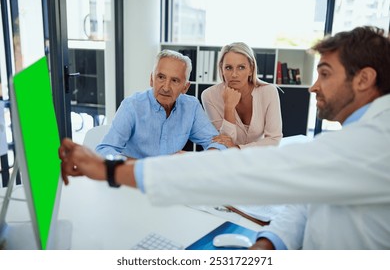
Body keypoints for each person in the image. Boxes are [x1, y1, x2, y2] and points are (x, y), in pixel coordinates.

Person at [59, 26, 390, 249]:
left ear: (364, 79)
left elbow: (236, 161)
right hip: (131, 204)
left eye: (325, 74)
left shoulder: (376, 142)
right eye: (160, 77)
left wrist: (113, 171)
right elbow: (307, 200)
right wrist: (268, 242)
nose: (313, 86)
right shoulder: (364, 133)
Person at [95, 49, 225, 159]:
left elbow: (218, 144)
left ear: (185, 87)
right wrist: (142, 166)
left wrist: (191, 159)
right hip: (134, 179)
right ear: (151, 79)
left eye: (174, 80)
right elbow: (104, 151)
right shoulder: (132, 106)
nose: (166, 87)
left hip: (170, 181)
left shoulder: (191, 107)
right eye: (161, 77)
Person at [201, 42, 282, 149]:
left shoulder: (269, 91)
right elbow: (223, 142)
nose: (234, 74)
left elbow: (274, 139)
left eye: (241, 67)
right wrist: (229, 107)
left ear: (251, 69)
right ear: (222, 69)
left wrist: (238, 148)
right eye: (229, 68)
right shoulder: (209, 96)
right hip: (227, 159)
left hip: (257, 157)